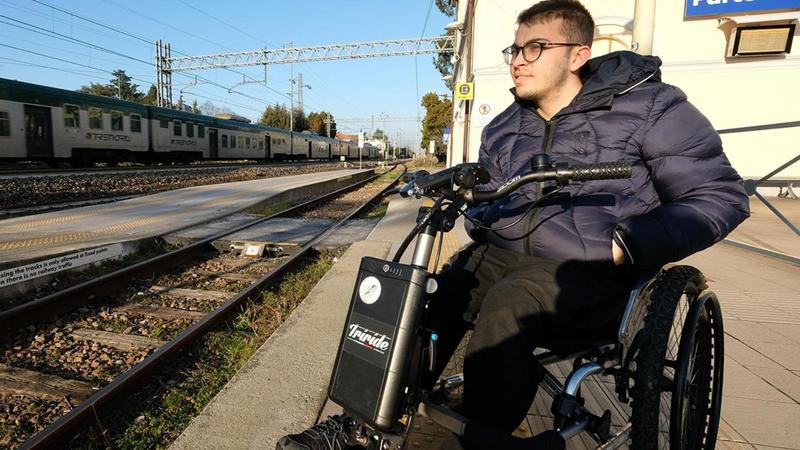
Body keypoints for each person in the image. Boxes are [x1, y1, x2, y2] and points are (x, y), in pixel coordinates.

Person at [278, 1, 750, 449]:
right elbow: (490, 194)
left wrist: (634, 242)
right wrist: (473, 207)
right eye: (514, 50)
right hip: (501, 256)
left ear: (578, 55)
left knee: (510, 305)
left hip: (588, 271)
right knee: (419, 297)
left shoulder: (650, 109)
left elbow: (720, 196)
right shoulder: (505, 125)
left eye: (534, 49)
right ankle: (361, 423)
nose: (517, 62)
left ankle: (482, 437)